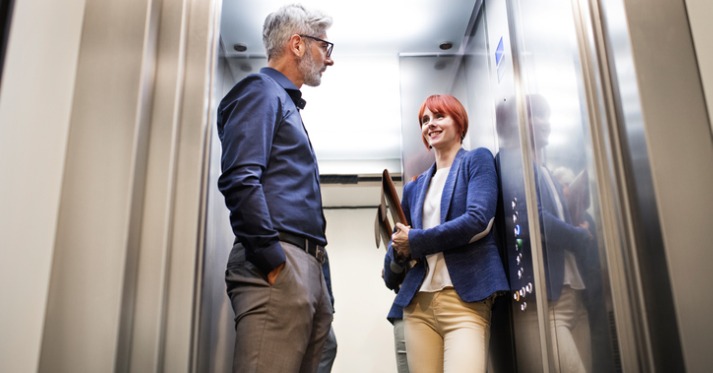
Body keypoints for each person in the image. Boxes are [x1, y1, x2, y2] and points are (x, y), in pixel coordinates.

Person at [215, 4, 335, 372]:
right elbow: (240, 179)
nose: (329, 60)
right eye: (325, 47)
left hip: (307, 268)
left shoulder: (284, 103)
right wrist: (272, 260)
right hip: (281, 264)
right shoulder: (261, 91)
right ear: (297, 45)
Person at [383, 94, 509, 373]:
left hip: (464, 300)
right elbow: (402, 238)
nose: (430, 124)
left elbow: (478, 220)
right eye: (425, 120)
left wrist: (414, 241)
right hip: (418, 305)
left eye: (439, 116)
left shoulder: (476, 160)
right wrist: (398, 249)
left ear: (459, 122)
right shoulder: (415, 187)